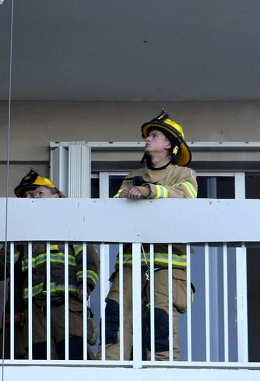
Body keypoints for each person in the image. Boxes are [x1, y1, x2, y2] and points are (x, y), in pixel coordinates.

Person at [103, 111, 197, 362]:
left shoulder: (183, 175)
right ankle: (109, 370)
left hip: (167, 264)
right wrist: (129, 195)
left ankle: (163, 372)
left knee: (160, 319)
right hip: (131, 262)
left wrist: (149, 191)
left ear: (168, 144)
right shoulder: (132, 175)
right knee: (115, 313)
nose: (147, 139)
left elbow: (187, 197)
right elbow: (113, 210)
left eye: (153, 135)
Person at [0, 171, 99, 360]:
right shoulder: (22, 234)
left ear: (56, 196)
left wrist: (85, 283)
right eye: (29, 196)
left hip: (65, 303)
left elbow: (88, 257)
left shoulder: (70, 223)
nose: (33, 199)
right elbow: (2, 265)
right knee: (39, 360)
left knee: (74, 355)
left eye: (38, 194)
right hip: (34, 308)